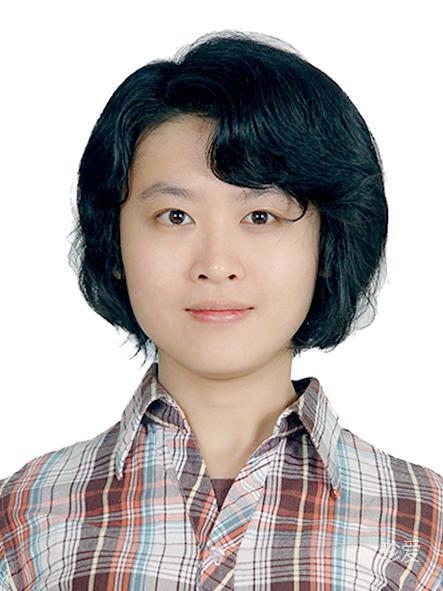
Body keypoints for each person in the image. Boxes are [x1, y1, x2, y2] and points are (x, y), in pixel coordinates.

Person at [1, 30, 442, 590]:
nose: (216, 265)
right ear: (114, 246)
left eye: (261, 216)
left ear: (327, 244)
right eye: (175, 217)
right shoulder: (24, 515)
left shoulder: (424, 525)